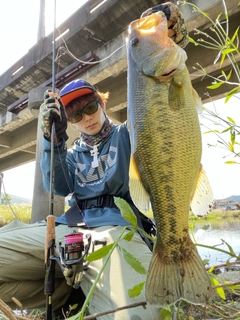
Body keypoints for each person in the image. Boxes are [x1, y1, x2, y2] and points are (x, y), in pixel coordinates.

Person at [0, 3, 188, 319]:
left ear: (102, 104)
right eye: (74, 114)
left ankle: (82, 290)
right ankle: (66, 289)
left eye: (89, 107)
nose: (85, 117)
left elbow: (161, 109)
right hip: (66, 232)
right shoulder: (72, 156)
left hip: (118, 230)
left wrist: (169, 35)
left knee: (144, 313)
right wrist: (53, 141)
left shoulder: (130, 133)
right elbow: (57, 185)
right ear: (70, 121)